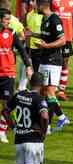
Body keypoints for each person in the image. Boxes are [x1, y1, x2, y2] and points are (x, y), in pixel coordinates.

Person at [2, 72, 49, 164]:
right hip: (33, 142)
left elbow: (5, 110)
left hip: (19, 139)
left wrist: (14, 127)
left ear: (30, 82)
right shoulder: (39, 98)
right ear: (41, 85)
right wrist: (43, 132)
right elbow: (45, 116)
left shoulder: (19, 95)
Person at [29, 0, 69, 133]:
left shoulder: (54, 19)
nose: (33, 6)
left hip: (53, 60)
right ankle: (53, 121)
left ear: (42, 5)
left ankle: (58, 120)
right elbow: (47, 36)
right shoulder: (44, 19)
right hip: (44, 59)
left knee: (49, 92)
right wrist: (33, 34)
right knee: (43, 92)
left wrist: (46, 46)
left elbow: (62, 40)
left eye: (35, 4)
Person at [0, 8, 33, 143]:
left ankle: (2, 132)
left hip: (7, 73)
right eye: (6, 19)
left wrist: (28, 66)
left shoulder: (11, 33)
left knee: (6, 104)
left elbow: (22, 51)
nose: (8, 21)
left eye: (9, 19)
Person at [51, 0, 73, 101]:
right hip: (54, 36)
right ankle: (52, 88)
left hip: (67, 35)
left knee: (65, 62)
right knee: (53, 61)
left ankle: (61, 90)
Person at [25, 0, 42, 73]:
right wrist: (28, 49)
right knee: (34, 71)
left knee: (40, 71)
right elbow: (28, 33)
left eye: (33, 1)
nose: (31, 3)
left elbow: (46, 34)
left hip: (41, 47)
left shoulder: (43, 15)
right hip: (31, 48)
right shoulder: (28, 15)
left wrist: (32, 34)